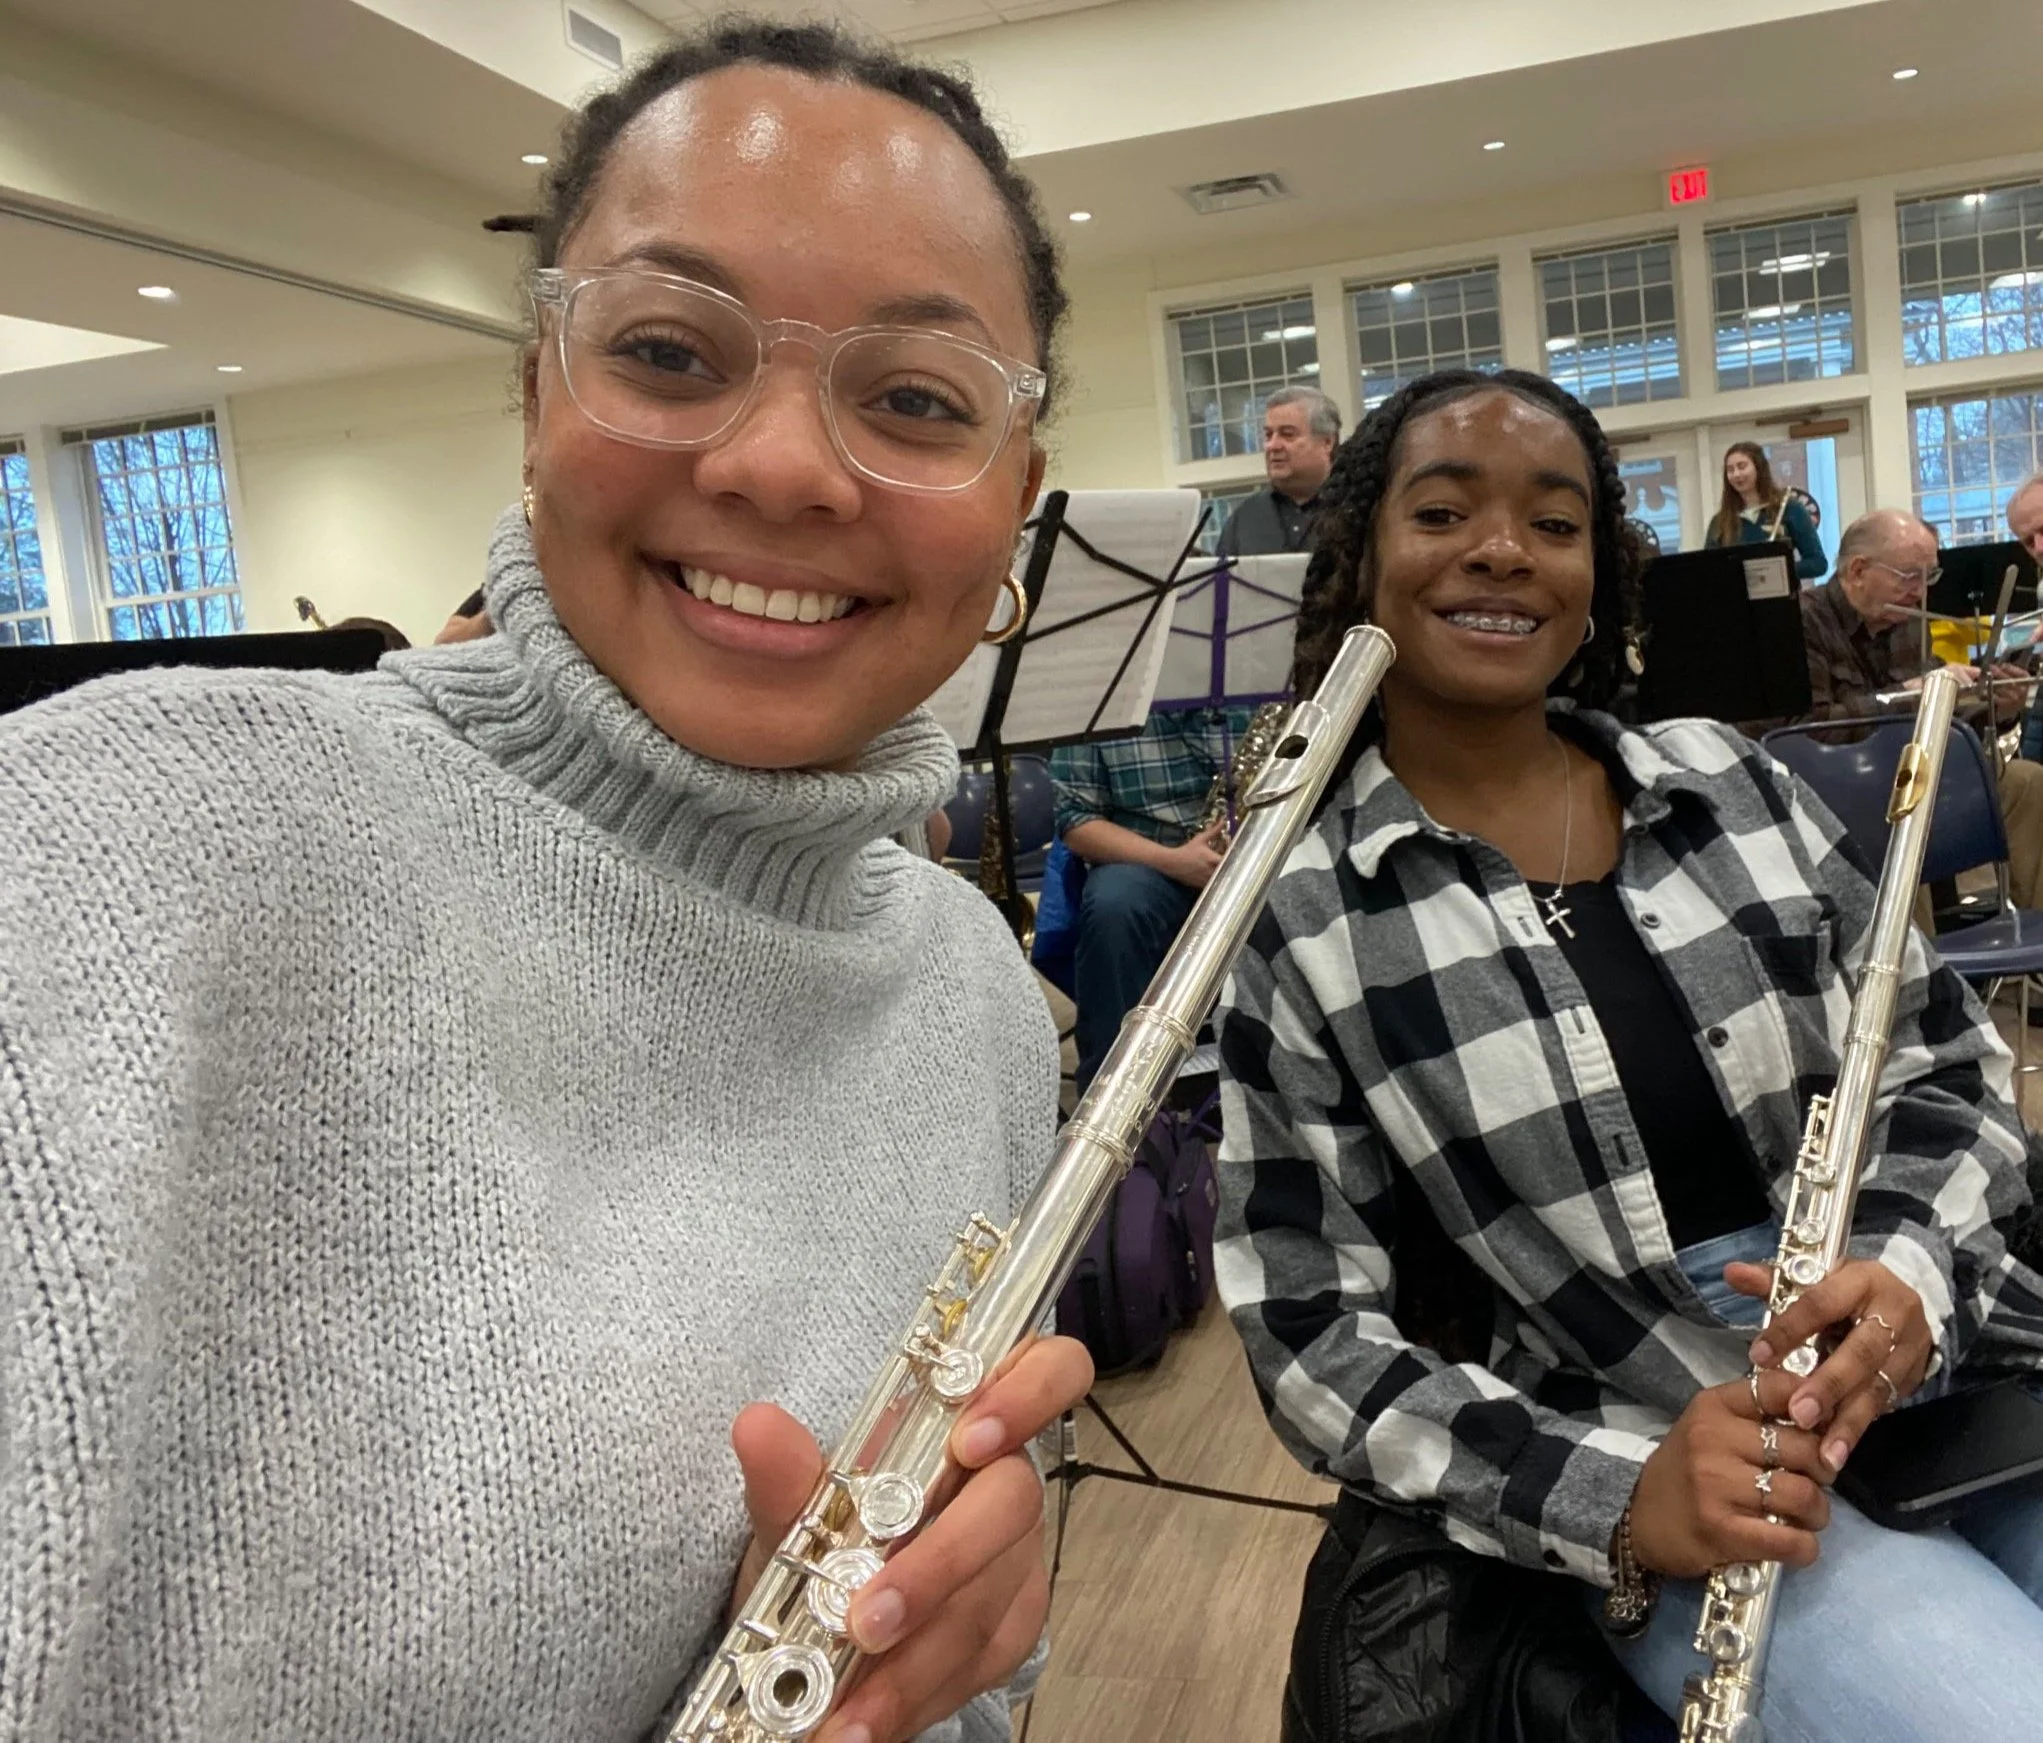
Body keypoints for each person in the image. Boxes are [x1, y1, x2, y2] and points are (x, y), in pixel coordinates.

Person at [0, 21, 1092, 1742]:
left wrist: (936, 1671)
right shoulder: (94, 844)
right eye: (669, 350)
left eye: (911, 398)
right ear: (533, 395)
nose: (783, 467)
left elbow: (969, 1668)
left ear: (1014, 503)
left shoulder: (971, 993)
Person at [1216, 367, 2043, 1741]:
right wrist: (1610, 1496)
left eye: (1553, 521)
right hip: (1663, 1436)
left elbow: (1942, 1066)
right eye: (1439, 511)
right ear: (1359, 553)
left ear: (1595, 570)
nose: (1499, 549)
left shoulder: (1730, 778)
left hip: (1949, 1350)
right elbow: (1310, 1334)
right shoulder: (1299, 912)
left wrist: (1901, 1265)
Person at [1789, 507, 2043, 905]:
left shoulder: (1907, 619)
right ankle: (1914, 961)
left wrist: (1996, 707)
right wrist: (1906, 694)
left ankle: (2032, 932)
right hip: (1843, 795)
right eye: (1911, 576)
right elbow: (1805, 731)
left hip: (1913, 776)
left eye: (1931, 576)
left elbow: (1942, 715)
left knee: (2028, 783)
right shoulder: (1800, 622)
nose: (1922, 591)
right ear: (1858, 570)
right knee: (1900, 817)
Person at [1050, 704, 1257, 1087]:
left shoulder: (1257, 679)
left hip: (1252, 859)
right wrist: (1175, 862)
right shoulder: (1109, 690)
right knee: (1113, 907)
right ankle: (1110, 1093)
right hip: (1150, 865)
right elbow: (1076, 822)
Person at [1215, 385, 1341, 558]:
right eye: (1268, 435)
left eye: (1287, 434)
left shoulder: (1358, 507)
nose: (1272, 446)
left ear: (1327, 442)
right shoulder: (1243, 519)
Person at [1705, 441, 1827, 580]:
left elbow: (1818, 563)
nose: (1736, 474)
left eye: (1742, 466)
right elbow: (1708, 569)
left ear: (1759, 467)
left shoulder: (1790, 509)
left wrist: (1778, 571)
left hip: (1780, 598)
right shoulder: (1719, 522)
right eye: (1730, 469)